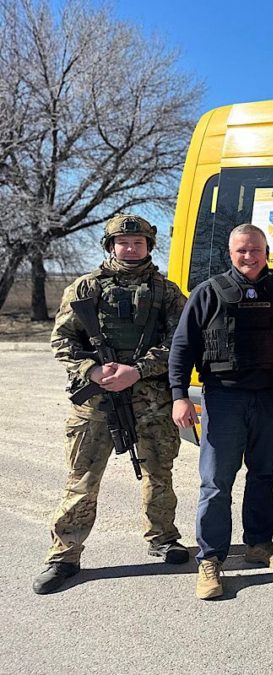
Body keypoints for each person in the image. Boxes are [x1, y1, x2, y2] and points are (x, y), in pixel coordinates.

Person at [33, 214, 189, 595]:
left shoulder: (167, 292)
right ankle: (64, 555)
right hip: (97, 401)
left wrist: (139, 370)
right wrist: (93, 370)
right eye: (123, 242)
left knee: (159, 471)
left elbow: (181, 343)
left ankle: (163, 537)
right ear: (110, 246)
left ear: (149, 246)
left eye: (138, 242)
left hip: (150, 398)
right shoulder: (84, 289)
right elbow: (62, 341)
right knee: (82, 479)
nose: (131, 248)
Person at [169, 223, 273, 600]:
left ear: (266, 251)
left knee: (262, 474)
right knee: (216, 483)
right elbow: (182, 347)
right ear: (231, 253)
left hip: (268, 397)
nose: (249, 256)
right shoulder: (208, 292)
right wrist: (179, 395)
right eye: (242, 250)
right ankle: (211, 560)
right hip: (223, 398)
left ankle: (259, 544)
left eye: (255, 249)